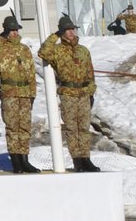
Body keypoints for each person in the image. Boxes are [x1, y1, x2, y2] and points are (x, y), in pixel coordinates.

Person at [38, 14, 99, 172]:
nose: (71, 32)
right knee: (72, 128)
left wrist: (91, 91)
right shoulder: (57, 50)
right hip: (68, 93)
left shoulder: (83, 51)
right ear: (62, 32)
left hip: (83, 92)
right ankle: (77, 159)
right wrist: (55, 36)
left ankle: (86, 158)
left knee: (84, 128)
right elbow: (43, 52)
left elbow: (90, 72)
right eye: (67, 30)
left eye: (72, 29)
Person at [0, 15, 41, 173]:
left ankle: (25, 159)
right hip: (10, 93)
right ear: (6, 32)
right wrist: (1, 40)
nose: (15, 33)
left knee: (25, 128)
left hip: (25, 92)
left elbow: (31, 73)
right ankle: (16, 161)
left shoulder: (24, 49)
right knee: (12, 127)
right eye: (11, 31)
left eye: (16, 30)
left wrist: (32, 94)